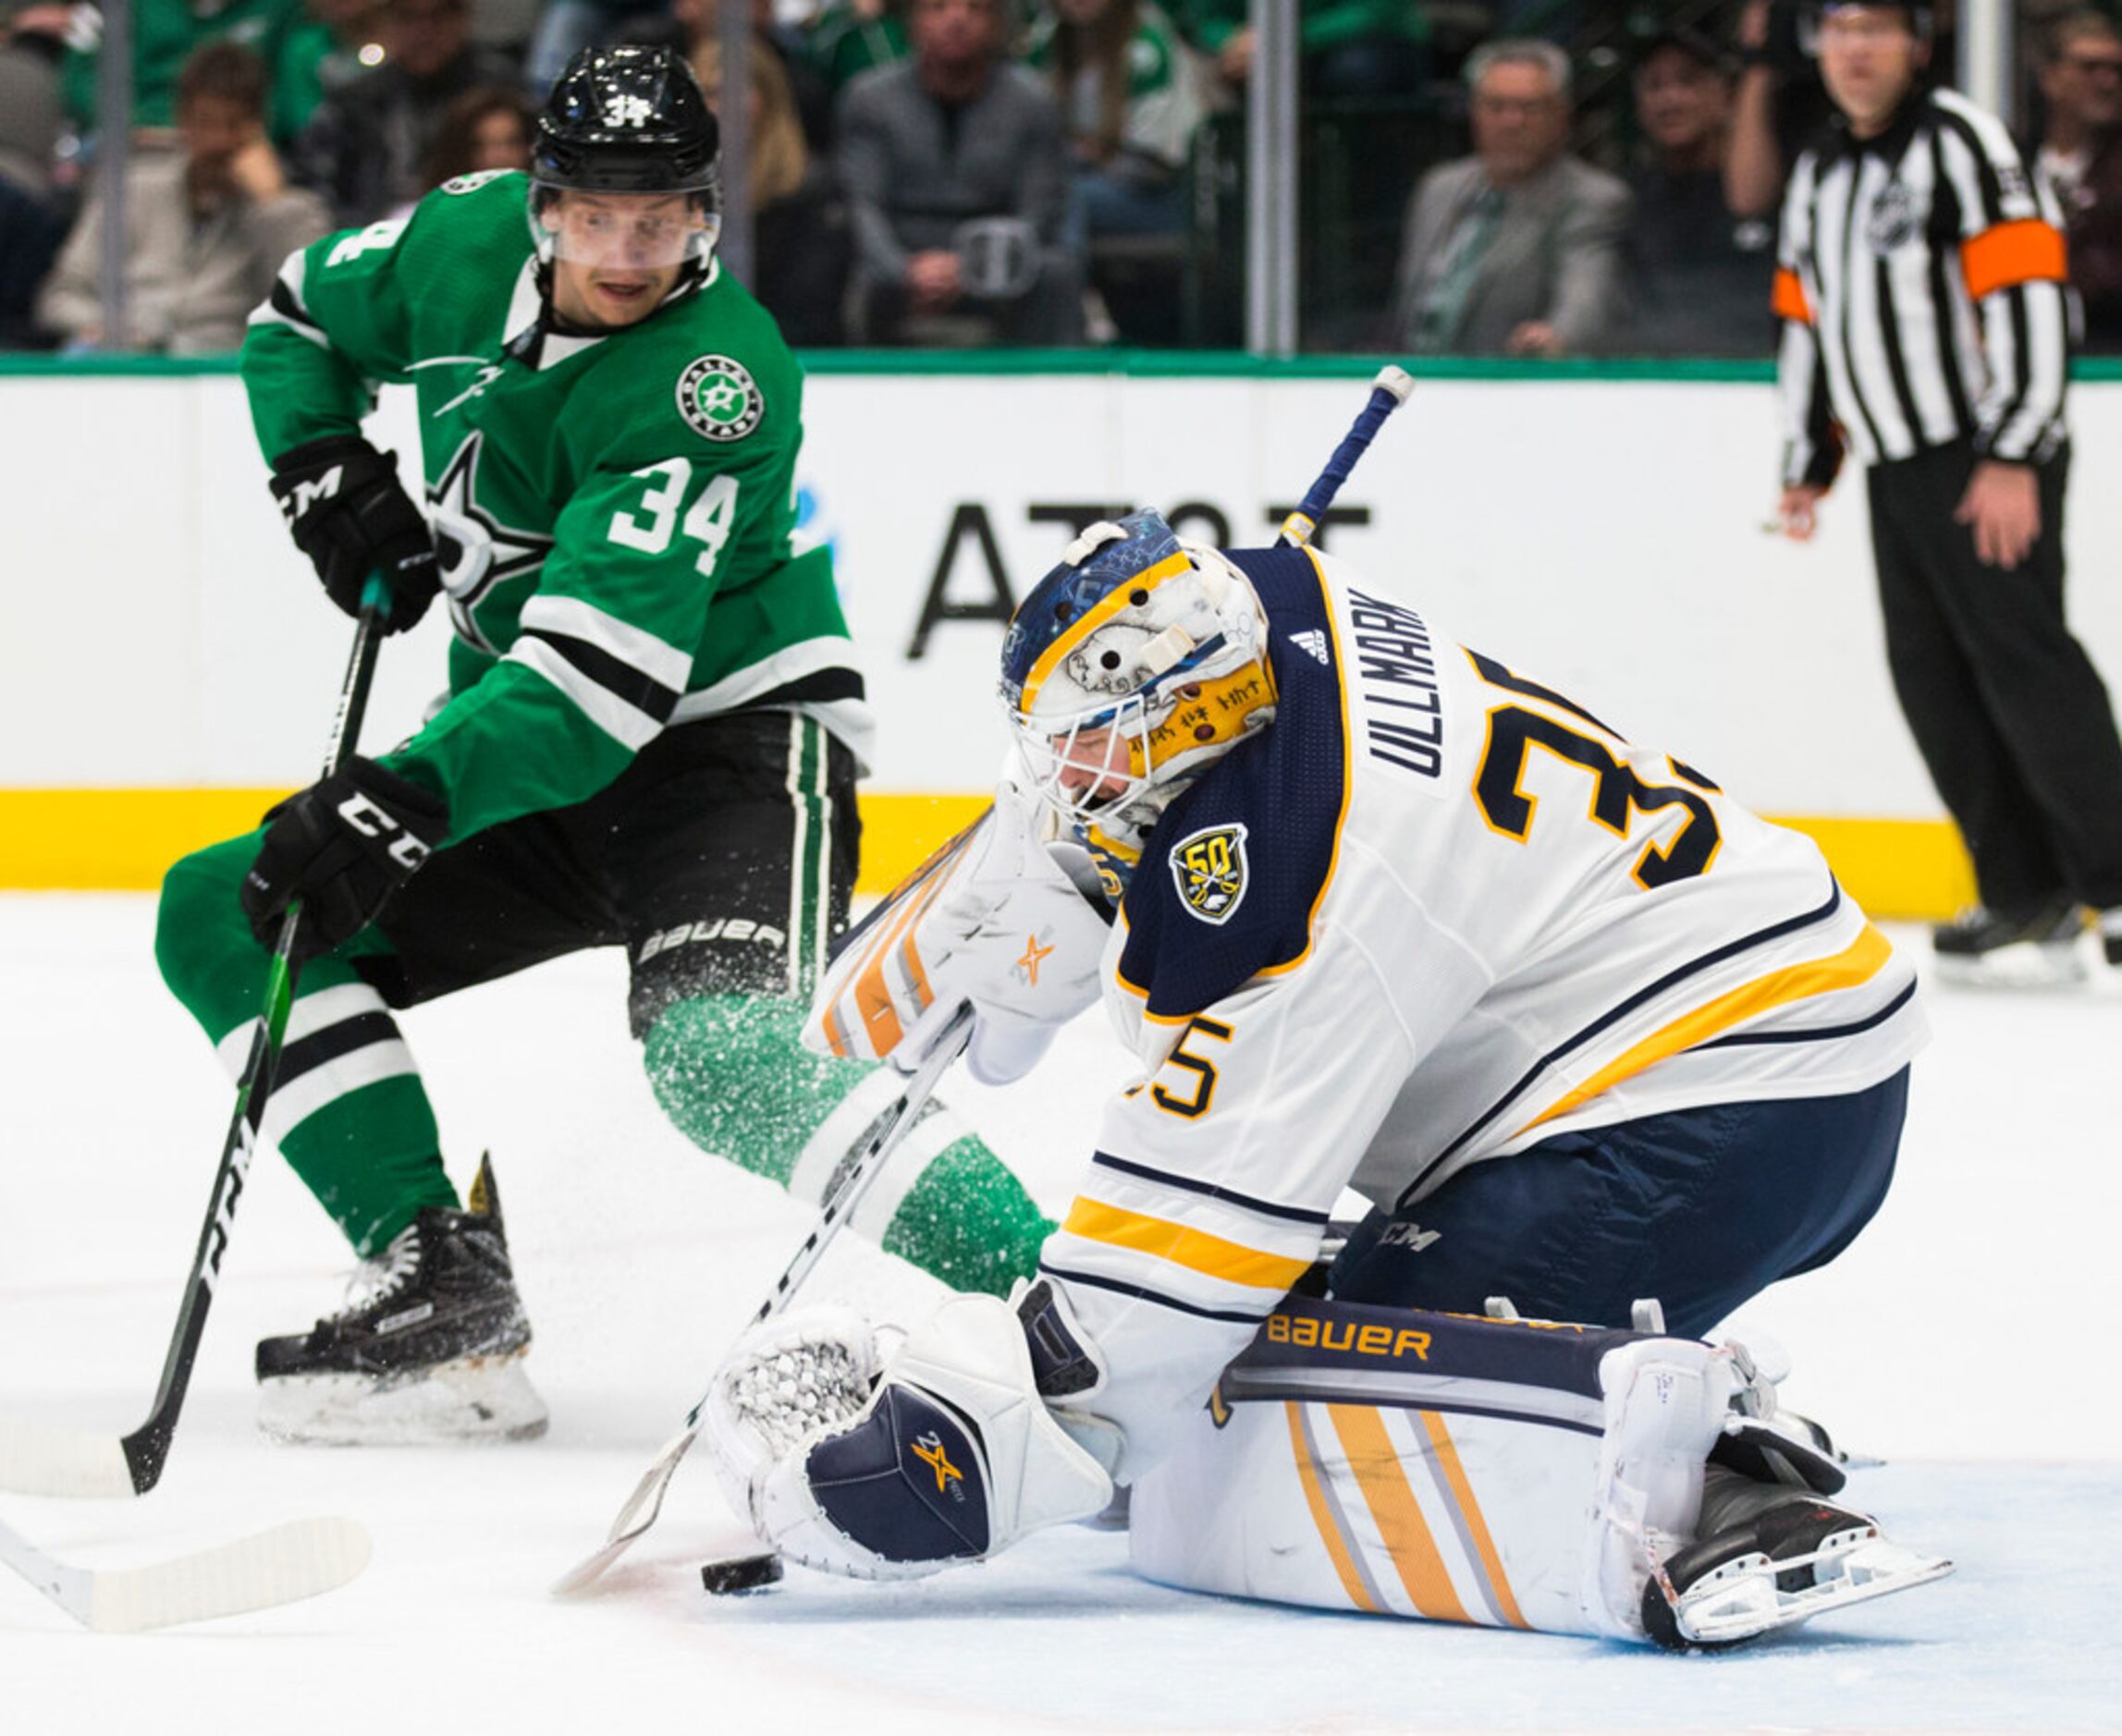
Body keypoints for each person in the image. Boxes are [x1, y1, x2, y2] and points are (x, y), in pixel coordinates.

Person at [702, 504, 1947, 1648]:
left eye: (1088, 753)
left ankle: (1715, 1480)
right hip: (1734, 1013)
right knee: (1266, 1367)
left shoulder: (1296, 892)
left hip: (1734, 1100)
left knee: (1317, 1406)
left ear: (1187, 719)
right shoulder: (1268, 597)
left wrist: (947, 1464)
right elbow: (1147, 698)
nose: (1066, 780)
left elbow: (1172, 1279)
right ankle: (1639, 1388)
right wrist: (1065, 861)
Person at [152, 43, 1054, 1446]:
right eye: (595, 214)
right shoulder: (453, 241)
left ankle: (1071, 1299)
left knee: (720, 1056)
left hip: (731, 756)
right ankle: (439, 1277)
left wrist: (402, 797)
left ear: (705, 213)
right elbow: (292, 321)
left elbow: (593, 695)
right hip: (526, 746)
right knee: (231, 909)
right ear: (542, 201)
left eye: (666, 217)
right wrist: (321, 467)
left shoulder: (714, 377)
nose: (629, 250)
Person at [1771, 1, 2122, 984]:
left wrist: (2014, 449)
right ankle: (2024, 891)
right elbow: (1805, 313)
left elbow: (2032, 289)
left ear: (1915, 46)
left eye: (1876, 29)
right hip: (1895, 459)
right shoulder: (1820, 167)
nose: (1855, 49)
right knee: (1932, 679)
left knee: (2025, 663)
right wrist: (1809, 459)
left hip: (1983, 453)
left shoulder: (1962, 142)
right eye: (1838, 29)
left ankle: (2117, 880)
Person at [37, 40, 331, 352]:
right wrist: (114, 329)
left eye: (234, 124)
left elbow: (315, 309)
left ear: (260, 125)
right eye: (205, 122)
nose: (218, 141)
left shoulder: (293, 211)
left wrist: (272, 203)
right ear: (182, 119)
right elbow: (61, 295)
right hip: (125, 357)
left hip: (222, 368)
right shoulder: (132, 190)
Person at [836, 0, 1085, 346]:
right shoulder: (869, 99)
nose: (957, 20)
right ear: (914, 22)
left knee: (1057, 271)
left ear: (998, 24)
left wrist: (971, 269)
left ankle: (1057, 387)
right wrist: (903, 269)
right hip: (902, 253)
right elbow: (862, 205)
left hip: (999, 252)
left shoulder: (1032, 102)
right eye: (938, 8)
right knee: (836, 257)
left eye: (977, 9)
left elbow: (1039, 211)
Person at [1388, 38, 1630, 358]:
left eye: (1529, 108)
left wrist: (1556, 338)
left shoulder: (1593, 199)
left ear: (1561, 116)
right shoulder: (1439, 188)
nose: (1511, 121)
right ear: (1474, 112)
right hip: (1411, 383)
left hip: (1512, 391)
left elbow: (1584, 298)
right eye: (1496, 106)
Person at [1613, 26, 1776, 357]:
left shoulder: (1767, 192)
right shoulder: (1630, 200)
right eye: (1654, 86)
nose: (1668, 100)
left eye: (1687, 82)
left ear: (1726, 97)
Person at [287, 0, 521, 226]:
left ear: (462, 18)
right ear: (386, 22)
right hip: (375, 236)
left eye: (438, 16)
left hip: (480, 224)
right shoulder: (355, 101)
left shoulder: (501, 91)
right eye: (408, 17)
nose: (424, 31)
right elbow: (312, 182)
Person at [693, 34, 851, 346]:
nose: (725, 106)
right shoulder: (674, 192)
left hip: (793, 354)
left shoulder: (810, 189)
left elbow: (812, 307)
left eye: (738, 91)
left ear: (769, 97)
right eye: (712, 93)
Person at [2035, 9, 2122, 353]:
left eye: (2116, 69)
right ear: (2051, 77)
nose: (2108, 82)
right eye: (2090, 67)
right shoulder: (2014, 159)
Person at [418, 81, 534, 189]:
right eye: (481, 146)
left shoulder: (546, 208)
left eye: (512, 143)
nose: (500, 157)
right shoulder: (427, 209)